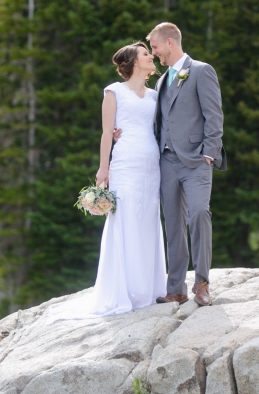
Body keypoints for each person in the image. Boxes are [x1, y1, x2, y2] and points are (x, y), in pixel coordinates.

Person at [46, 41, 167, 322]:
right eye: (146, 54)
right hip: (125, 163)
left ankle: (148, 289)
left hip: (151, 164)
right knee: (125, 220)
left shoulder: (153, 96)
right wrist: (103, 169)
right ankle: (122, 291)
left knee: (148, 219)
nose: (152, 57)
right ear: (134, 62)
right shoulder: (114, 92)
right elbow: (105, 133)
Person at [116, 23, 225, 307]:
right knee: (174, 224)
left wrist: (209, 153)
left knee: (199, 213)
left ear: (169, 42)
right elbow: (149, 119)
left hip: (196, 161)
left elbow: (214, 115)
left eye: (154, 47)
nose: (153, 53)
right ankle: (176, 288)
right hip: (165, 162)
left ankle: (202, 282)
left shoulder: (201, 71)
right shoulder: (162, 81)